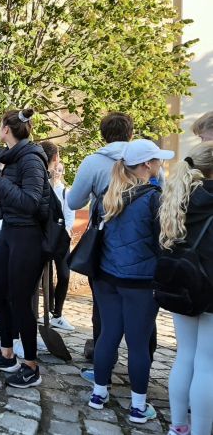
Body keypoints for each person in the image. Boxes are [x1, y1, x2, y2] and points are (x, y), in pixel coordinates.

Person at [87, 139, 172, 423]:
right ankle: (137, 406)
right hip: (140, 281)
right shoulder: (154, 198)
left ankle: (98, 393)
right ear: (147, 164)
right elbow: (164, 241)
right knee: (138, 343)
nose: (160, 163)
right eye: (157, 160)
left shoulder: (108, 193)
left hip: (106, 276)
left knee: (108, 335)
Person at [66, 112, 138, 376]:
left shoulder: (93, 162)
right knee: (140, 305)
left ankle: (103, 363)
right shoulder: (145, 160)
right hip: (140, 241)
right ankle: (141, 366)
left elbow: (74, 202)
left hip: (105, 239)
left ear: (103, 134)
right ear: (131, 133)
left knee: (103, 304)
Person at [0, 108, 48, 388]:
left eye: (0, 125)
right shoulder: (10, 159)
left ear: (6, 130)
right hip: (11, 230)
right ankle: (7, 353)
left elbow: (30, 202)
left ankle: (31, 366)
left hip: (29, 235)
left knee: (20, 299)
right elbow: (10, 194)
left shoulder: (31, 159)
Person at [159, 142, 213, 435]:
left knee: (185, 356)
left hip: (184, 283)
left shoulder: (180, 194)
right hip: (210, 287)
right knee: (207, 365)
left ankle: (178, 427)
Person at [39, 141, 76, 331]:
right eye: (56, 169)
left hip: (61, 238)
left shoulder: (65, 192)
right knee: (46, 276)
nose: (57, 172)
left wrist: (66, 231)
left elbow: (70, 215)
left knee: (64, 274)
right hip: (46, 237)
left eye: (60, 170)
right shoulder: (43, 186)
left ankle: (58, 313)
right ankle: (48, 309)